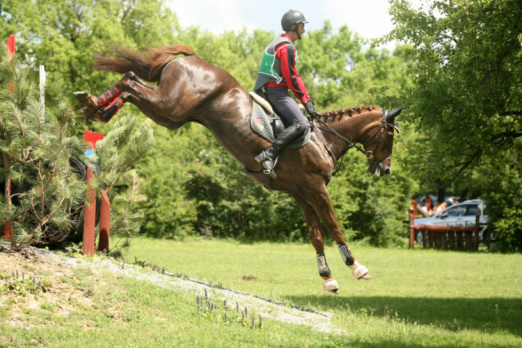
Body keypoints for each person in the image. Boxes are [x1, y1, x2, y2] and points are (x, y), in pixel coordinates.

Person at [253, 9, 318, 175]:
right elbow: (292, 77)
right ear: (294, 26)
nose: (304, 29)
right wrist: (306, 101)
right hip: (278, 93)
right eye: (302, 25)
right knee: (301, 123)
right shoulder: (286, 47)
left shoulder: (280, 43)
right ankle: (269, 154)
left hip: (275, 90)